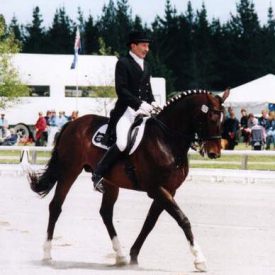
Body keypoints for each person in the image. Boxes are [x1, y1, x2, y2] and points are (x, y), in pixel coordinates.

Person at [92, 31, 160, 192]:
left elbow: (147, 89)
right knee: (122, 143)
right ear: (133, 46)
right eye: (144, 45)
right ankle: (97, 174)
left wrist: (154, 102)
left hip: (143, 110)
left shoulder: (147, 65)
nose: (147, 49)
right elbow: (121, 90)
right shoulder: (123, 63)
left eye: (148, 46)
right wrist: (139, 104)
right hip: (126, 112)